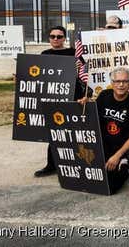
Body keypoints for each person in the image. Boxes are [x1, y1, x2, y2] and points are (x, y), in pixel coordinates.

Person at [82, 67, 129, 201]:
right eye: (117, 81)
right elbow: (93, 113)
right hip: (107, 144)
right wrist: (85, 104)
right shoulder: (104, 96)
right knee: (109, 188)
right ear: (112, 83)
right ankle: (123, 169)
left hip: (126, 146)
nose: (121, 85)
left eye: (125, 81)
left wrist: (117, 155)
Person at [34, 25, 91, 177]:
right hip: (54, 99)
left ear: (64, 38)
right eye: (53, 36)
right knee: (55, 132)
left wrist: (80, 67)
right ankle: (51, 165)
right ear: (49, 38)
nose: (56, 39)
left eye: (59, 36)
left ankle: (80, 163)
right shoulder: (44, 54)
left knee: (76, 132)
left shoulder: (74, 53)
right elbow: (39, 76)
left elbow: (86, 74)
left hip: (73, 98)